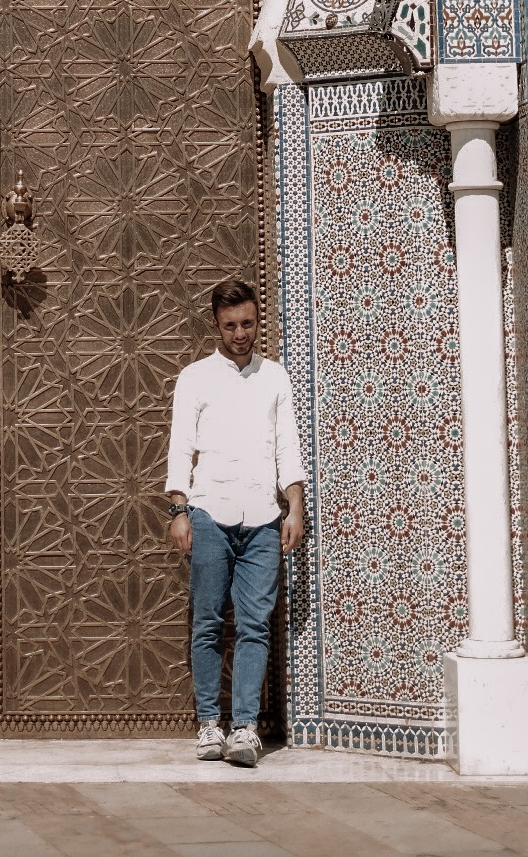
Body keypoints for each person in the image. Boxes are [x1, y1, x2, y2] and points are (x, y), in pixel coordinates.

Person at [165, 277, 305, 768]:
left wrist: (295, 505)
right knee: (207, 622)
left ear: (256, 321)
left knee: (254, 625)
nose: (240, 333)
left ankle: (244, 728)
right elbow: (181, 447)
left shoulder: (276, 378)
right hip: (208, 514)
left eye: (247, 323)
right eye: (230, 325)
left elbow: (286, 443)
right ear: (216, 325)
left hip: (264, 518)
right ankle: (209, 725)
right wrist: (179, 510)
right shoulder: (194, 377)